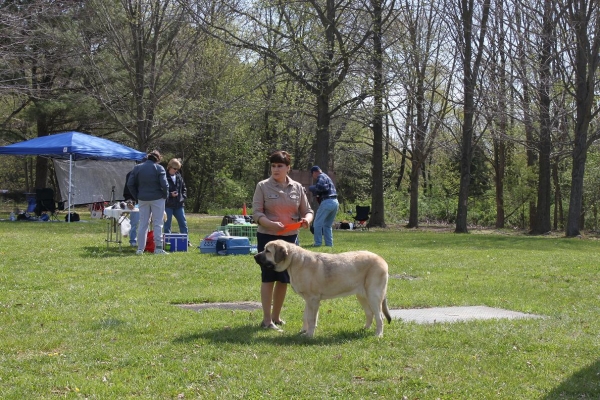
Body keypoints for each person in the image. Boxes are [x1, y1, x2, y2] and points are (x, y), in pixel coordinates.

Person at [253, 150, 313, 331]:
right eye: (273, 166)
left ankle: (276, 317)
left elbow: (308, 211)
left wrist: (306, 221)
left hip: (289, 241)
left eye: (280, 166)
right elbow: (257, 213)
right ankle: (266, 320)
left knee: (283, 279)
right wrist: (270, 224)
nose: (276, 169)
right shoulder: (263, 186)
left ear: (288, 168)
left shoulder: (297, 187)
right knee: (268, 277)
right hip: (268, 237)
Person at [127, 150, 169, 255]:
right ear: (158, 159)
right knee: (158, 223)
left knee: (143, 223)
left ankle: (140, 249)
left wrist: (136, 195)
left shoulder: (137, 168)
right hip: (157, 198)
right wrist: (165, 195)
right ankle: (158, 248)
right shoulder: (159, 168)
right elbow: (165, 184)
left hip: (142, 198)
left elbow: (130, 184)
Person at [308, 166, 339, 247]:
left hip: (327, 201)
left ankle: (317, 243)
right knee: (327, 225)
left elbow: (320, 188)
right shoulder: (327, 177)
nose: (313, 177)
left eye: (312, 175)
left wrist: (311, 188)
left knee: (317, 223)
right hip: (335, 202)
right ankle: (329, 244)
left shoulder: (321, 176)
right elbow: (325, 188)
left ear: (315, 172)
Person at [163, 158, 189, 241]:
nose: (176, 170)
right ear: (169, 167)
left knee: (183, 223)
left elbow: (184, 188)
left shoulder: (178, 176)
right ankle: (167, 241)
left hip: (179, 204)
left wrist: (182, 197)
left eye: (178, 169)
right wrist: (170, 195)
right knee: (167, 224)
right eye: (174, 168)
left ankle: (185, 241)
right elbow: (161, 190)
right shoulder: (164, 176)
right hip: (168, 205)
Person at [123, 168, 140, 247]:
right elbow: (127, 192)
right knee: (134, 223)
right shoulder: (130, 174)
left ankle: (145, 241)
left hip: (146, 201)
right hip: (135, 203)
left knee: (145, 224)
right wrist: (129, 201)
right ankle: (133, 241)